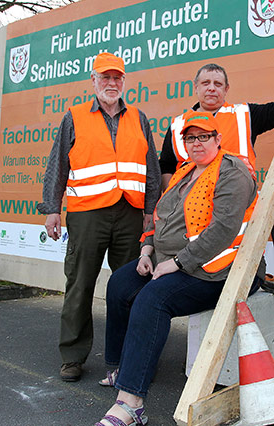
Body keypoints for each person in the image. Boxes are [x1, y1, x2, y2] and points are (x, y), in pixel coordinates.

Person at [96, 111, 264, 426]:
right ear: (183, 143)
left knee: (153, 299)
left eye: (204, 136)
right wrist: (147, 249)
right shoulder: (185, 171)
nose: (197, 143)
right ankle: (124, 368)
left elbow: (222, 231)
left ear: (217, 139)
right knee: (120, 284)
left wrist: (175, 264)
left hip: (220, 268)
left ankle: (131, 404)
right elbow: (160, 217)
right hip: (170, 259)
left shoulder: (233, 172)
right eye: (191, 138)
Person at [37, 52, 161, 382]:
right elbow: (58, 166)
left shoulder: (139, 117)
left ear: (124, 82)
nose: (111, 83)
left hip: (130, 214)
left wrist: (151, 211)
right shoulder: (75, 117)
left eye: (117, 77)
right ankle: (73, 356)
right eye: (105, 77)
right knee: (80, 285)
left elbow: (151, 170)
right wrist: (52, 209)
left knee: (131, 288)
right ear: (93, 80)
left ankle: (127, 358)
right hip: (87, 215)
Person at [159, 62, 274, 292]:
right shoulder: (178, 125)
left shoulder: (244, 115)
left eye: (218, 84)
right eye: (206, 83)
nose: (211, 88)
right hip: (192, 213)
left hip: (234, 207)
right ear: (195, 87)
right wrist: (171, 202)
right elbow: (166, 166)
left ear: (226, 89)